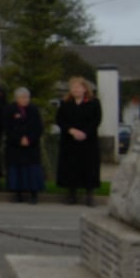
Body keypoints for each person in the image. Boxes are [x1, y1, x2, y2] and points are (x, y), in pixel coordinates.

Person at [55, 76, 102, 206]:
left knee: (89, 168)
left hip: (88, 141)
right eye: (73, 87)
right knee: (71, 167)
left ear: (84, 89)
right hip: (70, 141)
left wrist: (84, 132)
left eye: (78, 87)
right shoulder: (65, 103)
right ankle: (71, 195)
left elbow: (96, 120)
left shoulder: (93, 103)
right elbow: (60, 120)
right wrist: (71, 130)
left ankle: (90, 196)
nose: (75, 90)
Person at [4, 87, 45, 204]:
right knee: (16, 169)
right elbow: (7, 128)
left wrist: (30, 139)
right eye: (22, 97)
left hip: (31, 146)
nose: (25, 100)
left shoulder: (34, 110)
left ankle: (34, 194)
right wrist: (19, 139)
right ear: (17, 98)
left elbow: (39, 127)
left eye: (27, 97)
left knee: (32, 169)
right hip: (15, 146)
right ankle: (17, 194)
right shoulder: (9, 110)